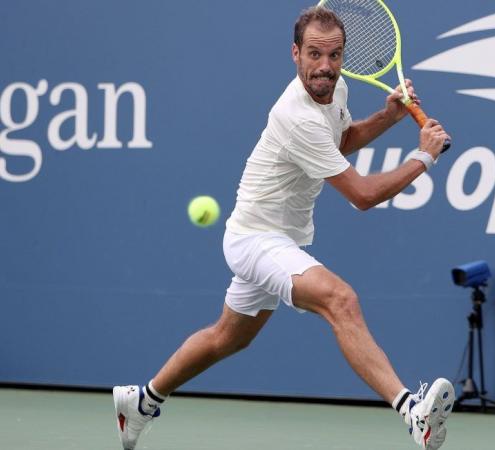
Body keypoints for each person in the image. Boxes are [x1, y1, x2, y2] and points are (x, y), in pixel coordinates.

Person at [113, 6, 454, 450]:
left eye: (334, 56)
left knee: (226, 338)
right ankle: (412, 411)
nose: (325, 67)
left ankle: (141, 400)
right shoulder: (297, 115)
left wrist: (388, 117)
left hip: (280, 238)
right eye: (314, 54)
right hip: (255, 238)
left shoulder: (337, 89)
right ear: (295, 53)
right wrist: (422, 158)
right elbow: (362, 195)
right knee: (340, 300)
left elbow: (342, 140)